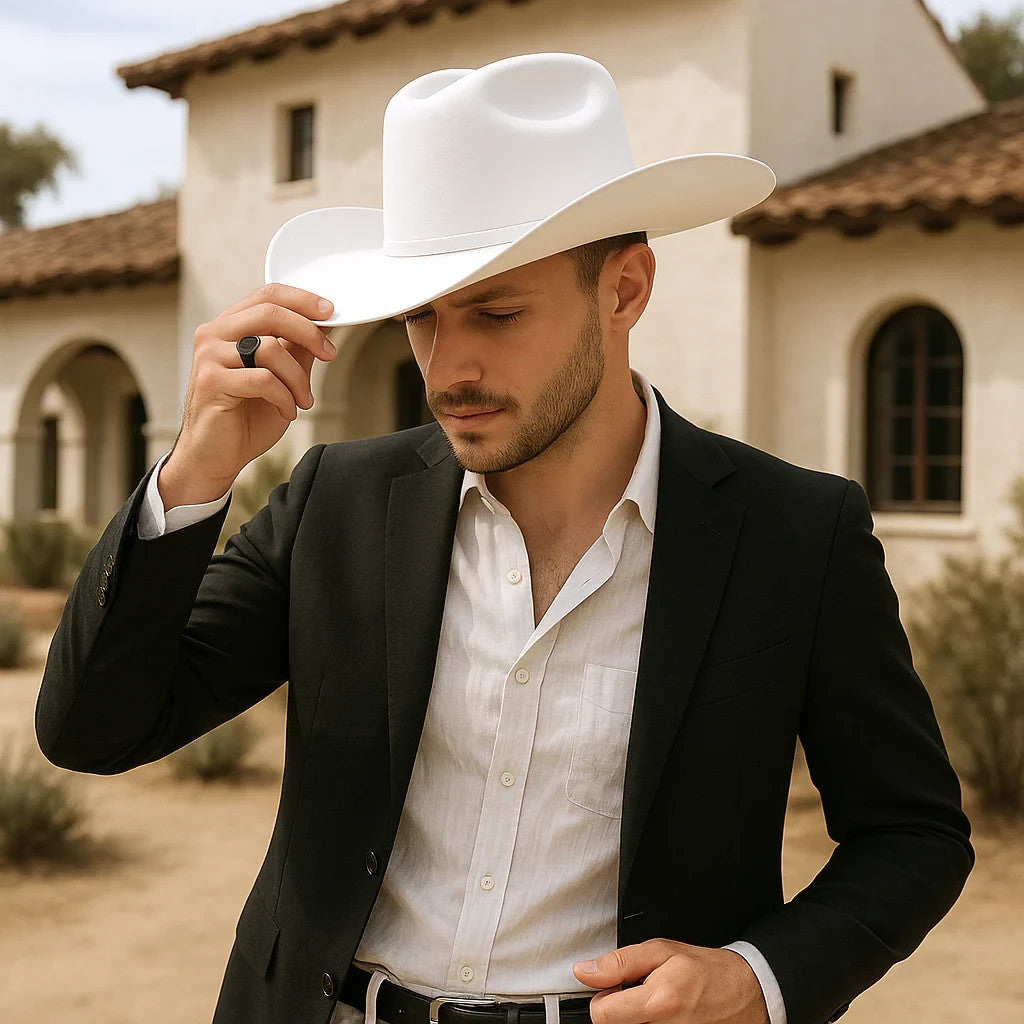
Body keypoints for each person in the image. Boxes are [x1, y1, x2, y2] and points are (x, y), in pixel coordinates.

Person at [35, 53, 973, 1024]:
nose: (449, 369)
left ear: (624, 289)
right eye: (422, 319)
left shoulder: (793, 533)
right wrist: (194, 471)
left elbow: (912, 830)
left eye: (495, 312)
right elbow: (94, 728)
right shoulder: (339, 502)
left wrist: (757, 979)